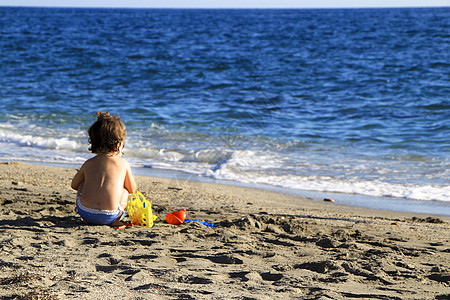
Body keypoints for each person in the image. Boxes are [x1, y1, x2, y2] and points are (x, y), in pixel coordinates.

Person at [71, 112, 137, 226]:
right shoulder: (123, 164)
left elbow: (74, 185)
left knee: (82, 184)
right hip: (110, 216)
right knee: (125, 191)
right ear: (117, 145)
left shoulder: (88, 163)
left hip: (85, 213)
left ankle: (88, 216)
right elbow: (132, 189)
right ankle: (116, 221)